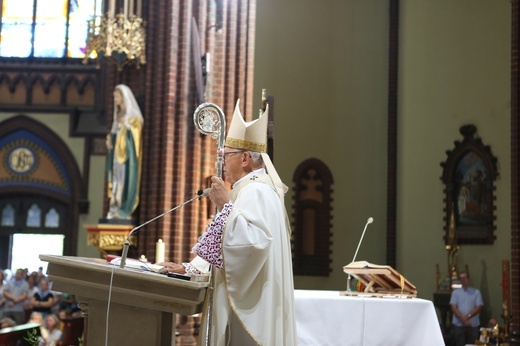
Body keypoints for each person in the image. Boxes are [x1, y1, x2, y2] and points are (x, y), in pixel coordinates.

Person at [159, 100, 296, 345]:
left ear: (245, 159)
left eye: (226, 155)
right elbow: (231, 241)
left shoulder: (257, 192)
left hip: (250, 314)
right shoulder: (253, 190)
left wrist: (224, 206)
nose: (222, 162)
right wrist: (192, 268)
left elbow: (252, 245)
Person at [106, 84, 144, 220]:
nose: (115, 99)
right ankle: (115, 206)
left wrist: (126, 125)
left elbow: (135, 134)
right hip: (116, 156)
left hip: (127, 158)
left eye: (117, 96)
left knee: (124, 180)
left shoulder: (133, 118)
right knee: (116, 182)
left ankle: (124, 207)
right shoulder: (118, 115)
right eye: (114, 97)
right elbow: (114, 134)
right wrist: (110, 140)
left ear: (123, 97)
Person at [450, 272, 483, 346]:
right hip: (458, 324)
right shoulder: (455, 293)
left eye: (465, 278)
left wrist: (467, 317)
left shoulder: (476, 292)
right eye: (461, 278)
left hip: (472, 324)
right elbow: (453, 307)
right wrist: (463, 319)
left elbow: (478, 307)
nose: (463, 280)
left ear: (469, 279)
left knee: (471, 344)